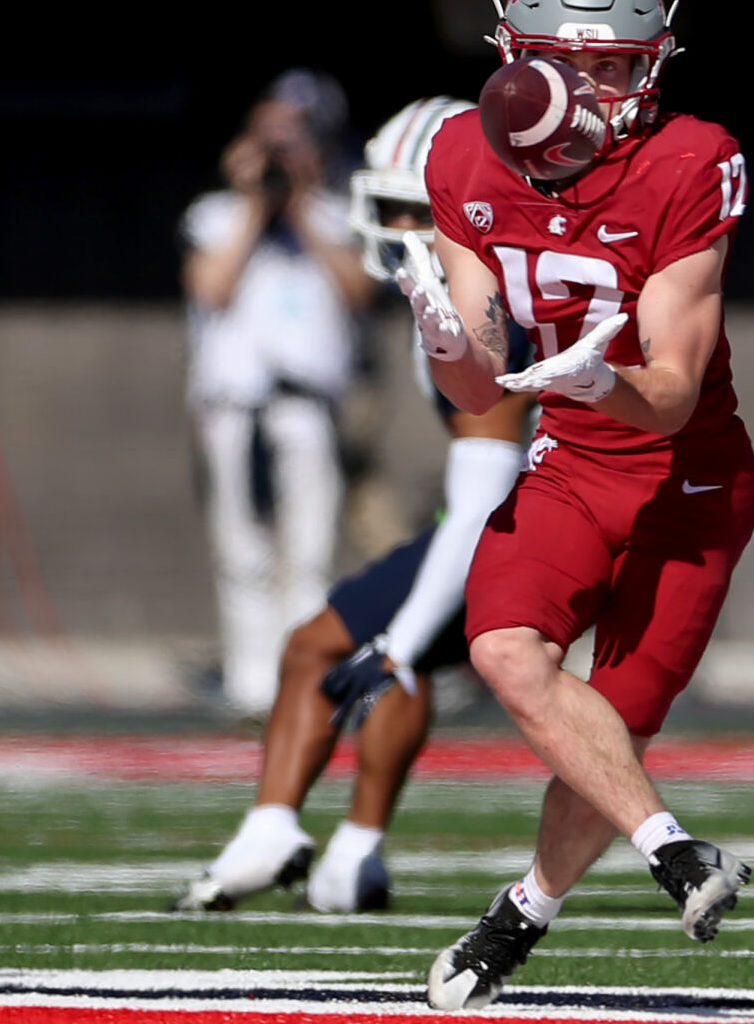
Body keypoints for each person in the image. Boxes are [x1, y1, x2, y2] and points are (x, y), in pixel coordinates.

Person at [396, 0, 754, 1010]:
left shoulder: (690, 159)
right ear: (513, 55)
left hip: (684, 480)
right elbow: (475, 393)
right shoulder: (464, 154)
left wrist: (603, 379)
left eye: (613, 68)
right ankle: (677, 852)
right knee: (502, 647)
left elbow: (677, 387)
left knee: (617, 720)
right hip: (571, 460)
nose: (591, 92)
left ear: (653, 67)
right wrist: (448, 344)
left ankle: (519, 913)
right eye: (565, 63)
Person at [173, 96, 536, 915]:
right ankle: (330, 849)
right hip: (509, 514)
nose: (398, 224)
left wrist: (401, 642)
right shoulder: (443, 283)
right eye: (392, 205)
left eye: (419, 207)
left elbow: (487, 496)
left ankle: (327, 846)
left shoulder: (488, 305)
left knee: (359, 649)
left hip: (535, 523)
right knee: (329, 648)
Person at [182, 69, 374, 717]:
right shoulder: (214, 216)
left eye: (291, 142)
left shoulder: (338, 215)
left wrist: (296, 205)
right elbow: (212, 287)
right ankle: (250, 682)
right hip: (236, 407)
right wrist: (252, 204)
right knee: (242, 551)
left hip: (308, 405)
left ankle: (306, 679)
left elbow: (358, 292)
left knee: (310, 550)